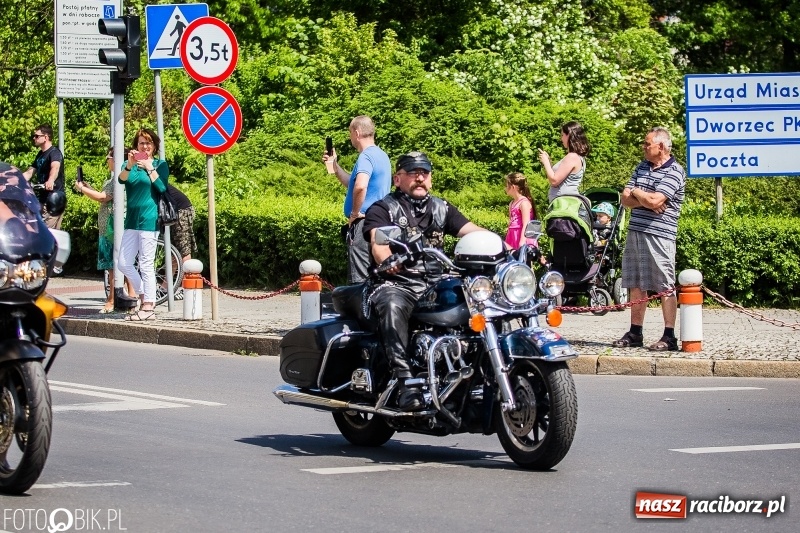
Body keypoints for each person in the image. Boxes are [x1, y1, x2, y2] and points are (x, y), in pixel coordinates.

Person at [363, 151, 484, 411]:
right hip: (398, 283)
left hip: (435, 284)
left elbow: (472, 231)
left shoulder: (442, 208)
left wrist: (503, 246)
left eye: (424, 173)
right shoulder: (383, 208)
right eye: (412, 173)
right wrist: (388, 260)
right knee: (392, 304)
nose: (420, 178)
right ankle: (405, 381)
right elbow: (377, 241)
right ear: (397, 179)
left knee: (479, 301)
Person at [613, 127, 685, 352]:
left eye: (647, 144)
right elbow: (625, 199)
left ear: (661, 146)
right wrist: (642, 196)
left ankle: (669, 336)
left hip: (660, 234)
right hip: (636, 231)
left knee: (664, 284)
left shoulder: (675, 171)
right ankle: (635, 332)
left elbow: (655, 201)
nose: (643, 147)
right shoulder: (641, 167)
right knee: (636, 282)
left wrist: (637, 193)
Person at [322, 115, 391, 284]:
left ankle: (361, 302)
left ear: (357, 133)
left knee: (360, 279)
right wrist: (334, 166)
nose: (350, 137)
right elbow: (352, 184)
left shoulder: (365, 157)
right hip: (382, 222)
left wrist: (354, 213)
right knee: (378, 275)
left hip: (363, 223)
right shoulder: (381, 155)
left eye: (350, 132)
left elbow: (360, 186)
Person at [73, 148, 136, 313]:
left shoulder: (119, 178)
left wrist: (82, 189)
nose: (107, 160)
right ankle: (131, 297)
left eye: (108, 157)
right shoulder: (119, 177)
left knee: (113, 265)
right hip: (111, 226)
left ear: (115, 159)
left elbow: (103, 197)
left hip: (112, 228)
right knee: (123, 264)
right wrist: (89, 188)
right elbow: (105, 196)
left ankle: (112, 300)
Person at [117, 128, 169, 321]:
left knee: (146, 264)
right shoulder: (129, 164)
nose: (145, 146)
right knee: (123, 263)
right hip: (131, 220)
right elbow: (121, 180)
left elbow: (162, 187)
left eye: (148, 143)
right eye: (141, 143)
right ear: (136, 146)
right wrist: (130, 165)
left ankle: (148, 306)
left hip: (149, 219)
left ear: (154, 146)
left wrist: (149, 167)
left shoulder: (160, 164)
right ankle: (144, 295)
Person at [22, 124, 66, 230]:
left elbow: (55, 167)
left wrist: (50, 180)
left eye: (37, 136)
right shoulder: (40, 155)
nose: (34, 138)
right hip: (41, 200)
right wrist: (13, 180)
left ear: (45, 137)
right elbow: (29, 173)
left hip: (53, 201)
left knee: (47, 233)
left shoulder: (54, 153)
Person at [538, 121, 591, 204]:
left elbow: (554, 181)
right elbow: (558, 176)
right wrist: (549, 161)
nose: (561, 139)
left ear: (569, 135)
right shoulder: (577, 156)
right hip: (564, 202)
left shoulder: (572, 157)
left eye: (562, 135)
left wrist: (546, 162)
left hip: (564, 204)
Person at [503, 172, 537, 250]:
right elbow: (511, 221)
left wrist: (522, 242)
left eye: (507, 186)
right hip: (512, 236)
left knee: (522, 256)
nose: (505, 188)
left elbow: (526, 224)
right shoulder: (512, 203)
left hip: (522, 236)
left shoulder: (524, 203)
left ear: (513, 187)